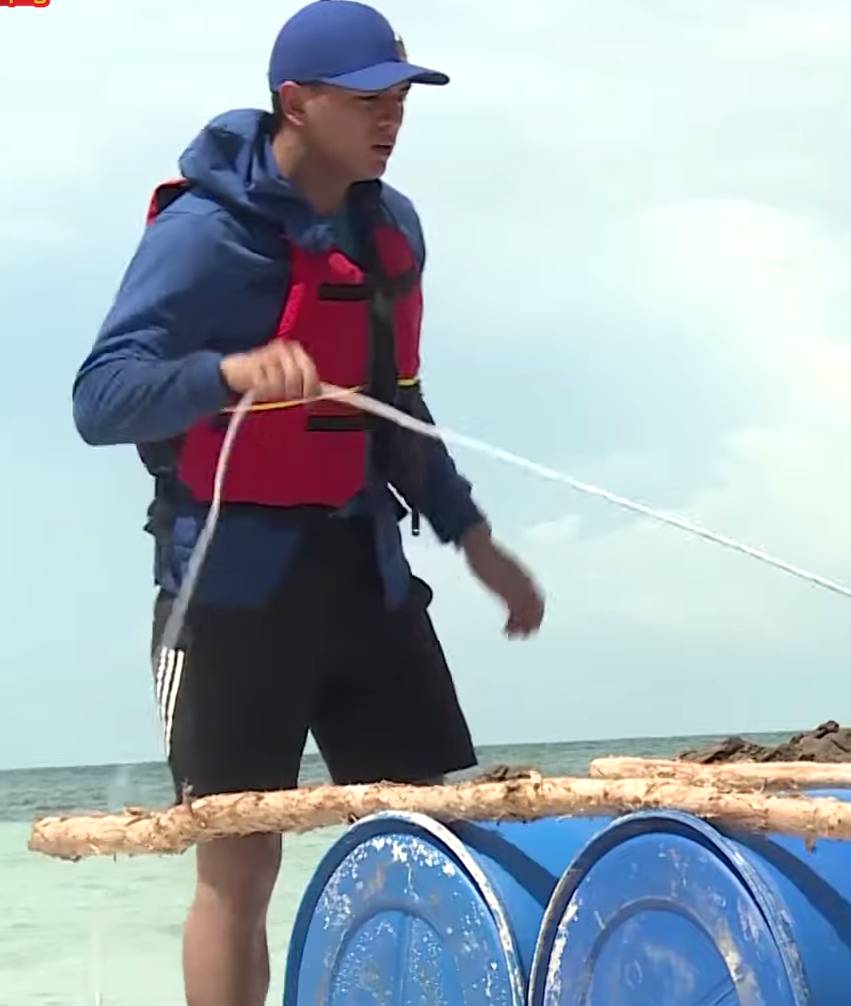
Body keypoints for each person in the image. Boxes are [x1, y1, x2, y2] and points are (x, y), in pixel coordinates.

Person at [71, 2, 545, 1002]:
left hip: (362, 569)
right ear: (298, 101)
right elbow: (100, 397)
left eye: (401, 101)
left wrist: (472, 537)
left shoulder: (391, 228)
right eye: (369, 100)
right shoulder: (204, 234)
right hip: (229, 586)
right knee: (238, 868)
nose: (392, 119)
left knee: (424, 836)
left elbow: (397, 405)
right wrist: (230, 372)